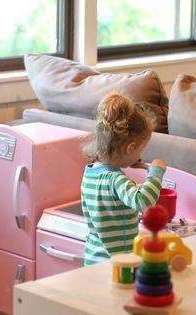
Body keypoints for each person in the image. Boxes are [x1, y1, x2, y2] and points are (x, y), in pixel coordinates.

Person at [81, 92, 166, 266]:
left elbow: (111, 203)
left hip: (93, 259)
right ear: (130, 147)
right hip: (117, 264)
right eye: (140, 150)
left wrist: (136, 187)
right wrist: (156, 173)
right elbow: (145, 203)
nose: (140, 156)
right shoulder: (116, 179)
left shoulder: (90, 174)